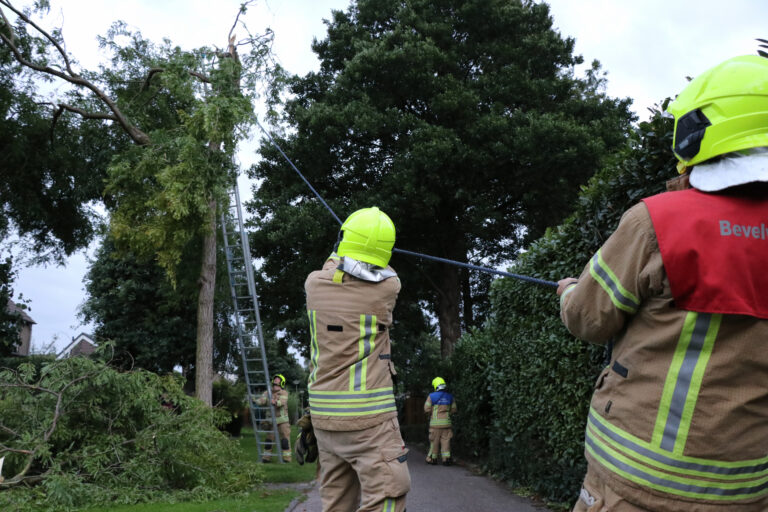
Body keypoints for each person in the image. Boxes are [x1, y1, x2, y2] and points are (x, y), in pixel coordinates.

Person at [557, 55, 768, 512]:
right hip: (744, 488)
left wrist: (569, 290)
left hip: (633, 477)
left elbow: (588, 318)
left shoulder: (659, 221)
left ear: (697, 132)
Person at [305, 206, 411, 512]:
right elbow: (386, 273)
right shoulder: (386, 289)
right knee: (389, 495)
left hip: (324, 419)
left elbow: (333, 263)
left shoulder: (313, 285)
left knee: (336, 503)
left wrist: (343, 245)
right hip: (369, 419)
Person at [256, 373, 291, 463]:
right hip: (271, 421)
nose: (276, 381)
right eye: (275, 380)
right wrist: (255, 400)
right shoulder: (267, 392)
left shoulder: (284, 393)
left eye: (278, 380)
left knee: (285, 440)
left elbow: (281, 402)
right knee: (269, 440)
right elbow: (261, 401)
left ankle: (287, 458)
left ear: (281, 383)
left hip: (282, 421)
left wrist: (275, 402)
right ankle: (266, 458)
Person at [424, 376, 457, 466]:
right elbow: (454, 410)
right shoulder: (450, 396)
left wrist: (432, 413)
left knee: (434, 442)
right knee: (446, 441)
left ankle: (432, 459)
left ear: (435, 386)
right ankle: (446, 459)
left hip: (435, 424)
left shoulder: (431, 396)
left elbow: (426, 409)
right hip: (446, 424)